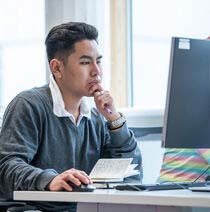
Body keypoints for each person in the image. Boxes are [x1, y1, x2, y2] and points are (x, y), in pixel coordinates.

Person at [0, 22, 142, 211]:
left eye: (98, 61)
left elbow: (131, 174)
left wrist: (114, 119)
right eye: (85, 62)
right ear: (57, 68)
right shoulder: (29, 105)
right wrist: (50, 180)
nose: (96, 71)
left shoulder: (95, 118)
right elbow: (6, 167)